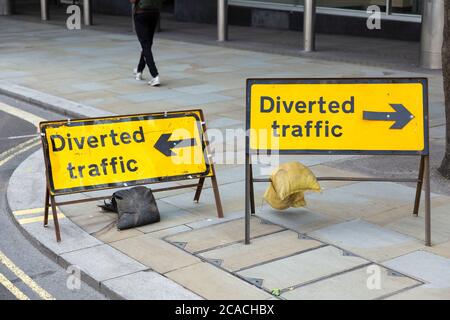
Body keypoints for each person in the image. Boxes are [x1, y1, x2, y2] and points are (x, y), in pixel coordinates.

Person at [130, 0, 162, 86]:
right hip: (154, 13)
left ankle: (155, 75)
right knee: (147, 44)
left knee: (145, 45)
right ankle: (139, 70)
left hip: (141, 13)